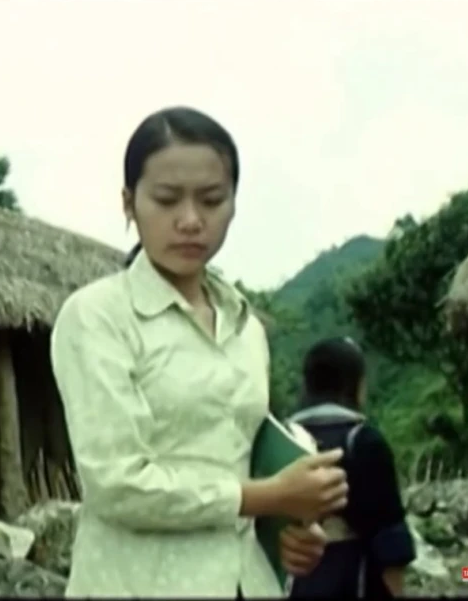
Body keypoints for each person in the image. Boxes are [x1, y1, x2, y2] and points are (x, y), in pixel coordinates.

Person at [49, 106, 349, 597]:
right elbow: (118, 485)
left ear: (233, 203)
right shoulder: (98, 317)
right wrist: (269, 497)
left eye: (211, 200)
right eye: (166, 200)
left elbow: (244, 457)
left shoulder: (246, 327)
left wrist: (290, 532)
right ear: (128, 203)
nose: (190, 220)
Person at [287, 337, 416, 598]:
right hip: (353, 580)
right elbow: (390, 542)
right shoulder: (364, 442)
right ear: (357, 385)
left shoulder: (282, 440)